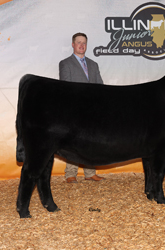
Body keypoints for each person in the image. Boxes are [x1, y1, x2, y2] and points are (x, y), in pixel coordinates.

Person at [59, 32, 104, 183]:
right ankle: (70, 174)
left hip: (92, 110)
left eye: (84, 43)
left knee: (91, 141)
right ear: (73, 44)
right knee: (73, 141)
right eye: (78, 42)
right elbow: (65, 87)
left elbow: (100, 87)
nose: (81, 45)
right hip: (74, 110)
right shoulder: (65, 63)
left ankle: (90, 172)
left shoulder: (93, 64)